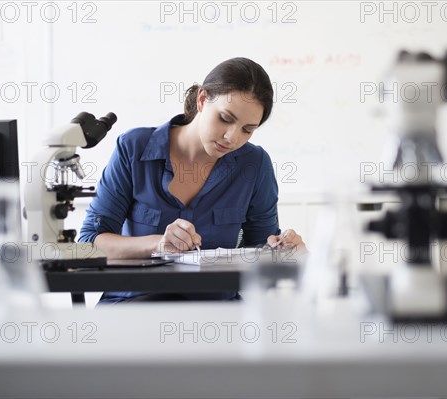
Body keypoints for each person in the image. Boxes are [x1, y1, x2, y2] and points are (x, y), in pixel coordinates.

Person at [79, 57, 305, 303]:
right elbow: (89, 245)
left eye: (247, 130)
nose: (232, 137)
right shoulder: (134, 149)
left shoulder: (255, 164)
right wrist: (157, 244)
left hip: (215, 314)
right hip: (134, 308)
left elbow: (259, 250)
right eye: (225, 119)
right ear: (201, 99)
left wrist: (281, 250)